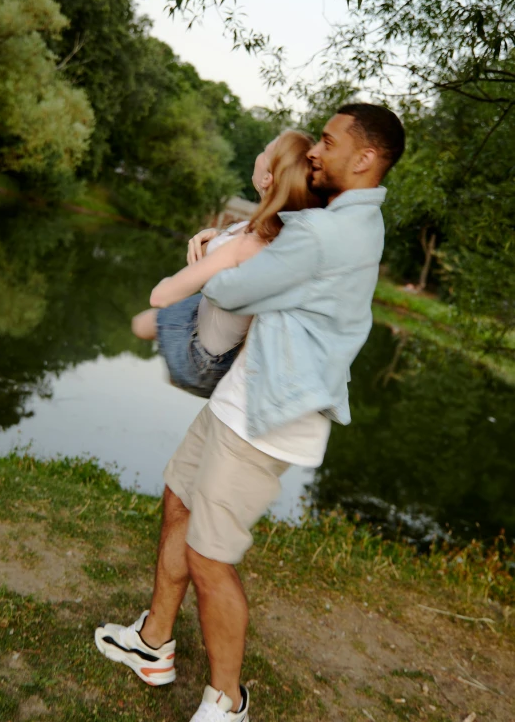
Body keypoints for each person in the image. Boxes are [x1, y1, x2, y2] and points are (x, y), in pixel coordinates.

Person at [95, 103, 405, 722]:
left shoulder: (325, 234)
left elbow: (230, 290)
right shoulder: (352, 223)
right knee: (178, 496)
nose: (316, 150)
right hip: (244, 395)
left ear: (365, 157)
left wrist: (218, 249)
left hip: (268, 417)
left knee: (210, 556)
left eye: (328, 140)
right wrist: (238, 243)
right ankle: (153, 643)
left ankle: (227, 700)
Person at [129, 130, 317, 399]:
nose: (258, 155)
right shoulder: (276, 235)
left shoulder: (251, 244)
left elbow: (161, 297)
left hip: (203, 361)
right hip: (207, 319)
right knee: (143, 323)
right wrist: (215, 238)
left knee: (146, 318)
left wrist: (172, 283)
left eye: (264, 151)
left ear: (268, 178)